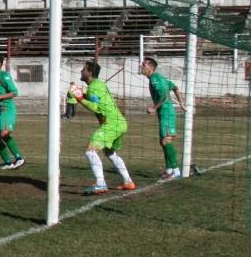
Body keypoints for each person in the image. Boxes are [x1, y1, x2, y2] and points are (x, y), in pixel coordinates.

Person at [71, 61, 135, 194]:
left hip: (111, 124)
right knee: (109, 153)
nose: (81, 71)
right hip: (120, 123)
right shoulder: (98, 84)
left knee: (90, 152)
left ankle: (100, 184)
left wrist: (80, 98)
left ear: (89, 73)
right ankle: (128, 182)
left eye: (84, 69)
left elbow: (95, 107)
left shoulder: (94, 87)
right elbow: (96, 101)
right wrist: (82, 95)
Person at [140, 57, 187, 179]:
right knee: (162, 142)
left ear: (149, 68)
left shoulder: (155, 79)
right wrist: (181, 103)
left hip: (166, 113)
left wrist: (153, 108)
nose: (141, 67)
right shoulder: (159, 77)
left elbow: (164, 96)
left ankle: (176, 171)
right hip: (164, 113)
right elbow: (175, 87)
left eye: (143, 65)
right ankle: (169, 169)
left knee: (166, 141)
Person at [0, 54, 25, 170]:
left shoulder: (5, 76)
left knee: (4, 134)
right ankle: (8, 163)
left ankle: (19, 158)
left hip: (7, 109)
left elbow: (14, 92)